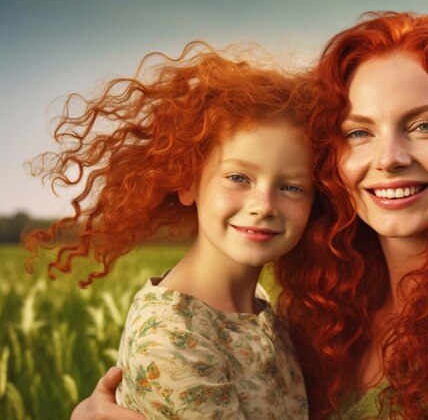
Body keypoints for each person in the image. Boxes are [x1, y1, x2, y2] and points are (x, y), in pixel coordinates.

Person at [70, 12, 428, 419]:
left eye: (425, 126)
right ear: (331, 162)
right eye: (359, 132)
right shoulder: (323, 306)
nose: (387, 158)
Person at [23, 43, 318, 419]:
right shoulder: (172, 336)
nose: (263, 205)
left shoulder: (257, 302)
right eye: (238, 177)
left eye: (291, 186)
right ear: (187, 182)